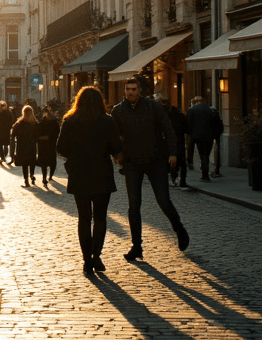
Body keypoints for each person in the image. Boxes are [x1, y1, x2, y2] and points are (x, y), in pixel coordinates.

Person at [111, 75, 190, 261]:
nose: (130, 92)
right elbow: (112, 135)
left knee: (163, 200)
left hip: (156, 161)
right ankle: (136, 246)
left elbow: (168, 129)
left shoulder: (153, 106)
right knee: (133, 206)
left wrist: (173, 153)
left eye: (133, 89)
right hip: (132, 163)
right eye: (127, 89)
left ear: (140, 91)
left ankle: (178, 228)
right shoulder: (118, 111)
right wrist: (116, 152)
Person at [56, 86, 123, 275]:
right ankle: (96, 256)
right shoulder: (107, 121)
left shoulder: (70, 121)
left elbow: (60, 147)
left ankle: (87, 260)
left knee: (84, 218)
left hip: (79, 173)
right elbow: (116, 147)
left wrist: (74, 156)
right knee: (100, 218)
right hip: (101, 172)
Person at [185, 95, 221, 181]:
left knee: (202, 154)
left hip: (197, 136)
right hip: (209, 136)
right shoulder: (212, 110)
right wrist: (215, 135)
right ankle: (205, 172)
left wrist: (190, 134)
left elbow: (188, 124)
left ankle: (204, 173)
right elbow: (218, 124)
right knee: (206, 154)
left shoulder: (192, 110)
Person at [11, 104, 41, 187]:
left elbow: (13, 134)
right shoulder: (35, 124)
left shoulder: (19, 123)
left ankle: (26, 180)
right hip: (32, 146)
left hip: (22, 146)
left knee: (24, 164)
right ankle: (32, 175)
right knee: (32, 162)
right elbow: (38, 135)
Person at [166, 100, 189, 189]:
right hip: (180, 141)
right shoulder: (181, 115)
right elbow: (186, 129)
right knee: (183, 163)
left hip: (171, 141)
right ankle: (183, 181)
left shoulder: (167, 116)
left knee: (173, 162)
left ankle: (174, 178)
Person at [36, 107, 59, 187]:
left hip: (51, 145)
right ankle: (44, 178)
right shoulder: (41, 123)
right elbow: (37, 134)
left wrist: (49, 137)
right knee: (44, 163)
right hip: (43, 146)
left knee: (52, 163)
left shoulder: (55, 123)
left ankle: (51, 176)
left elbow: (56, 133)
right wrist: (42, 138)